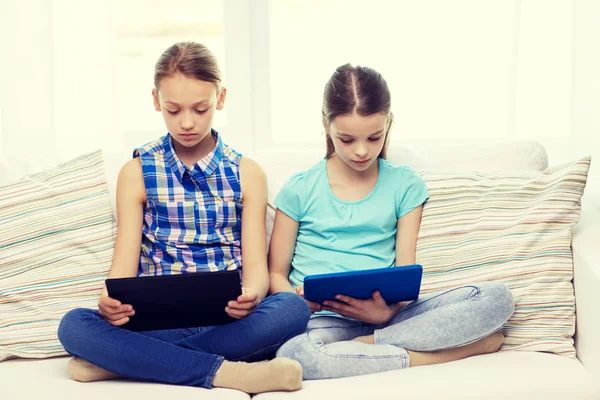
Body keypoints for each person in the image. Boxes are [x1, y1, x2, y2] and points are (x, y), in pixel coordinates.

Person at [58, 41, 310, 393]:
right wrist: (109, 302)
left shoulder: (247, 172)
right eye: (173, 110)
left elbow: (256, 265)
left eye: (200, 108)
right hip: (155, 323)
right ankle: (228, 373)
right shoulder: (136, 171)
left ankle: (124, 363)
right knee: (73, 325)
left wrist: (251, 293)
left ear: (220, 99)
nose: (187, 123)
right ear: (156, 101)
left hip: (227, 319)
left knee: (292, 309)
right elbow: (122, 270)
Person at [268, 63, 515, 380]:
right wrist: (297, 303)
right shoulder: (299, 188)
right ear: (325, 125)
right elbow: (276, 272)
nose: (361, 151)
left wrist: (387, 313)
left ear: (389, 124)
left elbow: (404, 273)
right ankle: (444, 353)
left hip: (393, 318)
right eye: (346, 139)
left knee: (496, 299)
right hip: (323, 320)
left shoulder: (404, 184)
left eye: (374, 137)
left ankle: (369, 345)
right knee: (295, 355)